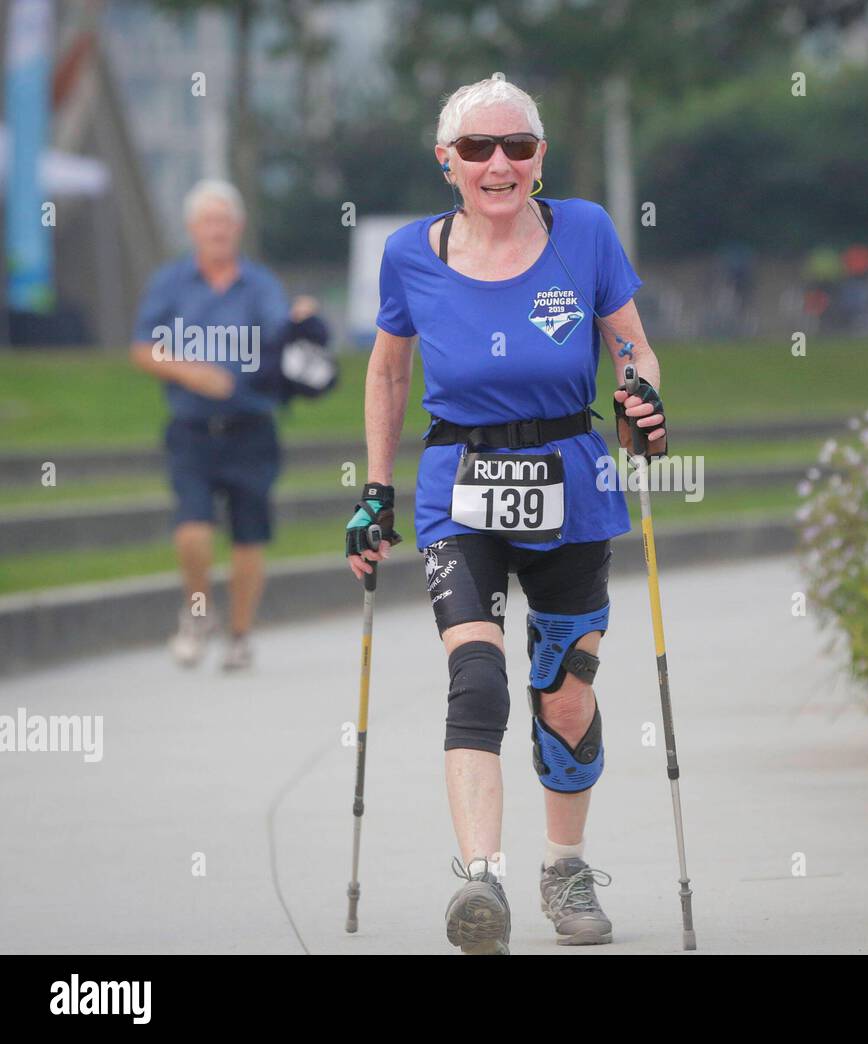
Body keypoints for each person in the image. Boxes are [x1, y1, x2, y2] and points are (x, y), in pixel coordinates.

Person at [344, 77, 666, 954]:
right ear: (446, 162)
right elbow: (386, 371)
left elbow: (633, 348)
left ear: (540, 158)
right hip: (462, 486)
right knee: (477, 680)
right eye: (478, 149)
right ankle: (480, 883)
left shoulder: (587, 232)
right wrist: (375, 490)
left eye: (517, 148)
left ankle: (565, 867)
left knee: (564, 698)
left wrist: (642, 401)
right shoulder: (411, 253)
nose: (499, 164)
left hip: (572, 478)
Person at [130, 179, 318, 671]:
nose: (217, 230)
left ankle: (239, 634)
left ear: (238, 227)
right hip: (191, 428)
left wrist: (303, 321)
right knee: (191, 529)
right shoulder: (171, 283)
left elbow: (283, 340)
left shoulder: (259, 284)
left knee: (248, 536)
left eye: (225, 221)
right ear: (193, 229)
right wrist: (190, 370)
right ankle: (197, 614)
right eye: (208, 221)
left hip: (252, 426)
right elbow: (143, 348)